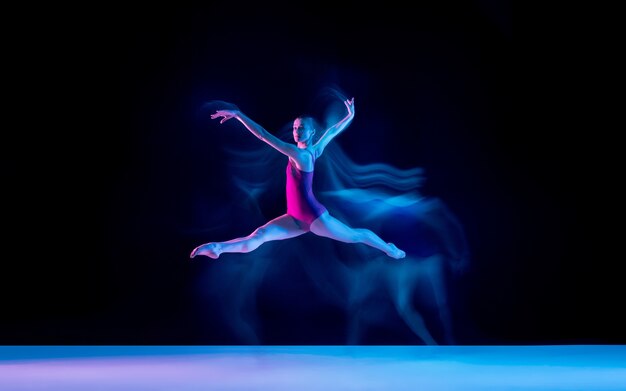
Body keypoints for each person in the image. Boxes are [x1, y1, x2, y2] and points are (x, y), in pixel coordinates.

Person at [190, 97, 406, 260]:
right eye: (294, 128)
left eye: (301, 128)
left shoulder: (299, 154)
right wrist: (349, 116)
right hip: (294, 216)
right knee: (259, 235)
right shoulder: (314, 150)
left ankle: (390, 249)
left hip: (314, 216)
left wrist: (239, 115)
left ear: (311, 132)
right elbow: (332, 131)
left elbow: (264, 135)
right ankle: (217, 248)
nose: (296, 131)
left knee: (355, 236)